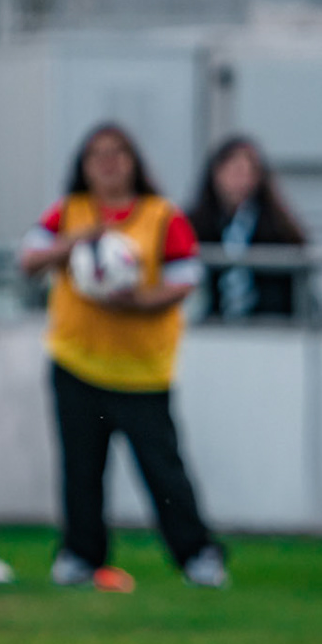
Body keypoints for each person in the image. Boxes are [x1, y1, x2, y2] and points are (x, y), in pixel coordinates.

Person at [20, 125, 230, 590]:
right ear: (83, 165)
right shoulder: (70, 213)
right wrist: (76, 241)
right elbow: (29, 260)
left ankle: (197, 555)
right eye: (97, 156)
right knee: (81, 470)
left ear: (135, 162)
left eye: (118, 154)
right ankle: (80, 556)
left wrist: (137, 300)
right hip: (77, 364)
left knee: (164, 473)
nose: (109, 164)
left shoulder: (160, 216)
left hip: (141, 372)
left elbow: (185, 277)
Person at [186, 137, 308, 320]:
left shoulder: (276, 225)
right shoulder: (196, 223)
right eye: (233, 171)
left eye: (247, 172)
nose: (240, 181)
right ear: (216, 174)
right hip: (211, 325)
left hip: (267, 324)